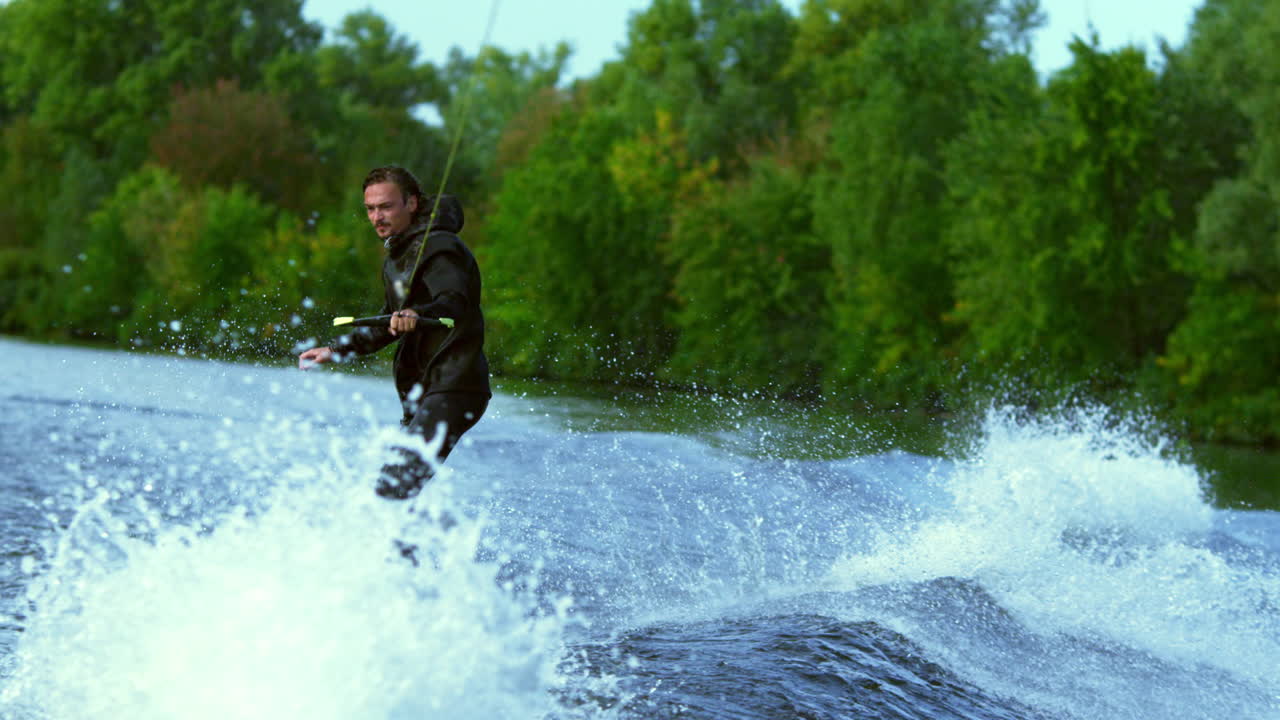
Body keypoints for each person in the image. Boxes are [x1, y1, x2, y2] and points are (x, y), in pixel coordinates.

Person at [299, 166, 490, 500]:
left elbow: (452, 301)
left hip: (456, 385)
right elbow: (389, 323)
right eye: (370, 209)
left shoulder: (441, 248)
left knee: (394, 484)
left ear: (412, 203)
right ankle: (409, 548)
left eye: (386, 207)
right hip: (428, 388)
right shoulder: (398, 257)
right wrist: (337, 350)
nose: (377, 217)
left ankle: (402, 548)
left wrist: (418, 313)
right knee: (393, 485)